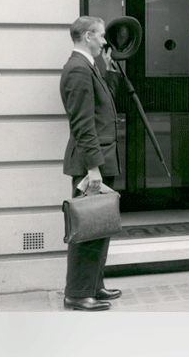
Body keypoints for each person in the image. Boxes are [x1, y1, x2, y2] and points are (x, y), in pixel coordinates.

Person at [60, 16, 123, 311]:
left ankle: (93, 286)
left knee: (99, 227)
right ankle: (77, 293)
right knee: (87, 231)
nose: (104, 42)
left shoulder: (89, 67)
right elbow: (84, 124)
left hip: (97, 160)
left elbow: (101, 107)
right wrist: (93, 168)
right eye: (100, 36)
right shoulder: (77, 69)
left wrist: (109, 73)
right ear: (87, 36)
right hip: (91, 165)